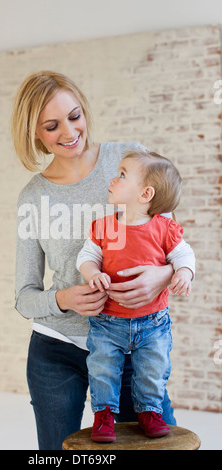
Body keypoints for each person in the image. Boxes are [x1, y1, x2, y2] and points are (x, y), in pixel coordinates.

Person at [11, 71, 191, 450]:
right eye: (51, 125)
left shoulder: (129, 160)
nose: (69, 131)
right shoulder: (32, 198)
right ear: (35, 133)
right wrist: (64, 299)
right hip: (55, 351)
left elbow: (173, 243)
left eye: (74, 116)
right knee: (61, 454)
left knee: (162, 442)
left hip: (129, 346)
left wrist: (163, 275)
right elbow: (24, 296)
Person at [77, 151, 195, 441]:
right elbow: (87, 256)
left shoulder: (164, 228)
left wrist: (184, 273)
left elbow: (184, 254)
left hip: (153, 323)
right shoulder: (105, 226)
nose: (112, 179)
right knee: (103, 369)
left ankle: (149, 412)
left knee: (152, 370)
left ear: (145, 194)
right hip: (108, 322)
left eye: (121, 175)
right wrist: (93, 273)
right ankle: (104, 416)